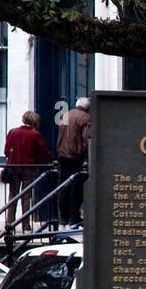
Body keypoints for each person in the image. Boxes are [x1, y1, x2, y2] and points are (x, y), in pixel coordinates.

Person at [2, 111, 53, 231]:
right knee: (26, 197)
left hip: (13, 168)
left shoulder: (13, 132)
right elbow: (43, 150)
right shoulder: (35, 134)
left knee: (13, 196)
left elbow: (6, 151)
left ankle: (10, 224)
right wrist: (50, 160)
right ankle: (25, 225)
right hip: (29, 168)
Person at [56, 96, 91, 225]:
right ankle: (74, 217)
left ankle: (62, 217)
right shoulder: (85, 118)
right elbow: (86, 139)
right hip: (76, 156)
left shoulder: (65, 115)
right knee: (76, 188)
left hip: (62, 155)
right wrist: (87, 158)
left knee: (64, 186)